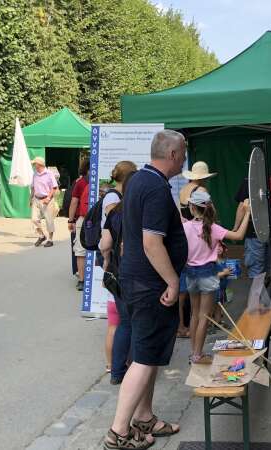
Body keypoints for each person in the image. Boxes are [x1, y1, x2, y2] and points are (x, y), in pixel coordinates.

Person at [104, 130, 187, 449]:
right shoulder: (152, 186)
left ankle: (144, 417)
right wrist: (172, 280)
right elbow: (152, 242)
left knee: (147, 353)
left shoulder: (138, 179)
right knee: (143, 359)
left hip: (136, 281)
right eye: (183, 152)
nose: (184, 157)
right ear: (173, 155)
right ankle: (119, 432)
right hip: (150, 285)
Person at [183, 190, 249, 364]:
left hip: (190, 272)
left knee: (194, 315)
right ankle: (197, 355)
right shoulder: (214, 228)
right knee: (204, 316)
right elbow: (239, 236)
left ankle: (193, 354)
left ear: (191, 207)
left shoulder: (186, 227)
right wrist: (248, 213)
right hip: (208, 273)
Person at [99, 161, 138, 383]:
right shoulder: (139, 212)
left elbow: (104, 244)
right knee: (138, 323)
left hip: (117, 273)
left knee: (123, 322)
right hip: (137, 275)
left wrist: (107, 262)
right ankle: (135, 371)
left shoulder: (114, 213)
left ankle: (116, 372)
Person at [176, 161, 215, 338]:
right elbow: (209, 215)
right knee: (202, 287)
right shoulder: (202, 192)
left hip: (185, 236)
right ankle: (199, 326)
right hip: (199, 237)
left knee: (183, 288)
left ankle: (181, 325)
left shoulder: (184, 190)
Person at [233, 170, 271, 278]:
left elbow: (243, 205)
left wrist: (236, 228)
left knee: (256, 270)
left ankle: (258, 295)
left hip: (255, 230)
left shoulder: (250, 179)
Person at [68, 159, 90, 291]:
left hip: (83, 219)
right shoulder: (102, 181)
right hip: (100, 219)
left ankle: (81, 280)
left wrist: (71, 220)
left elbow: (74, 202)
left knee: (80, 250)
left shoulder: (81, 182)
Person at [30, 156, 58, 248]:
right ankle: (42, 236)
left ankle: (50, 239)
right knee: (34, 219)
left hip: (47, 199)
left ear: (39, 164)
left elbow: (54, 187)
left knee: (49, 220)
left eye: (35, 164)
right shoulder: (35, 174)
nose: (34, 166)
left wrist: (48, 198)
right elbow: (33, 187)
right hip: (36, 199)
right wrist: (31, 199)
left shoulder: (49, 174)